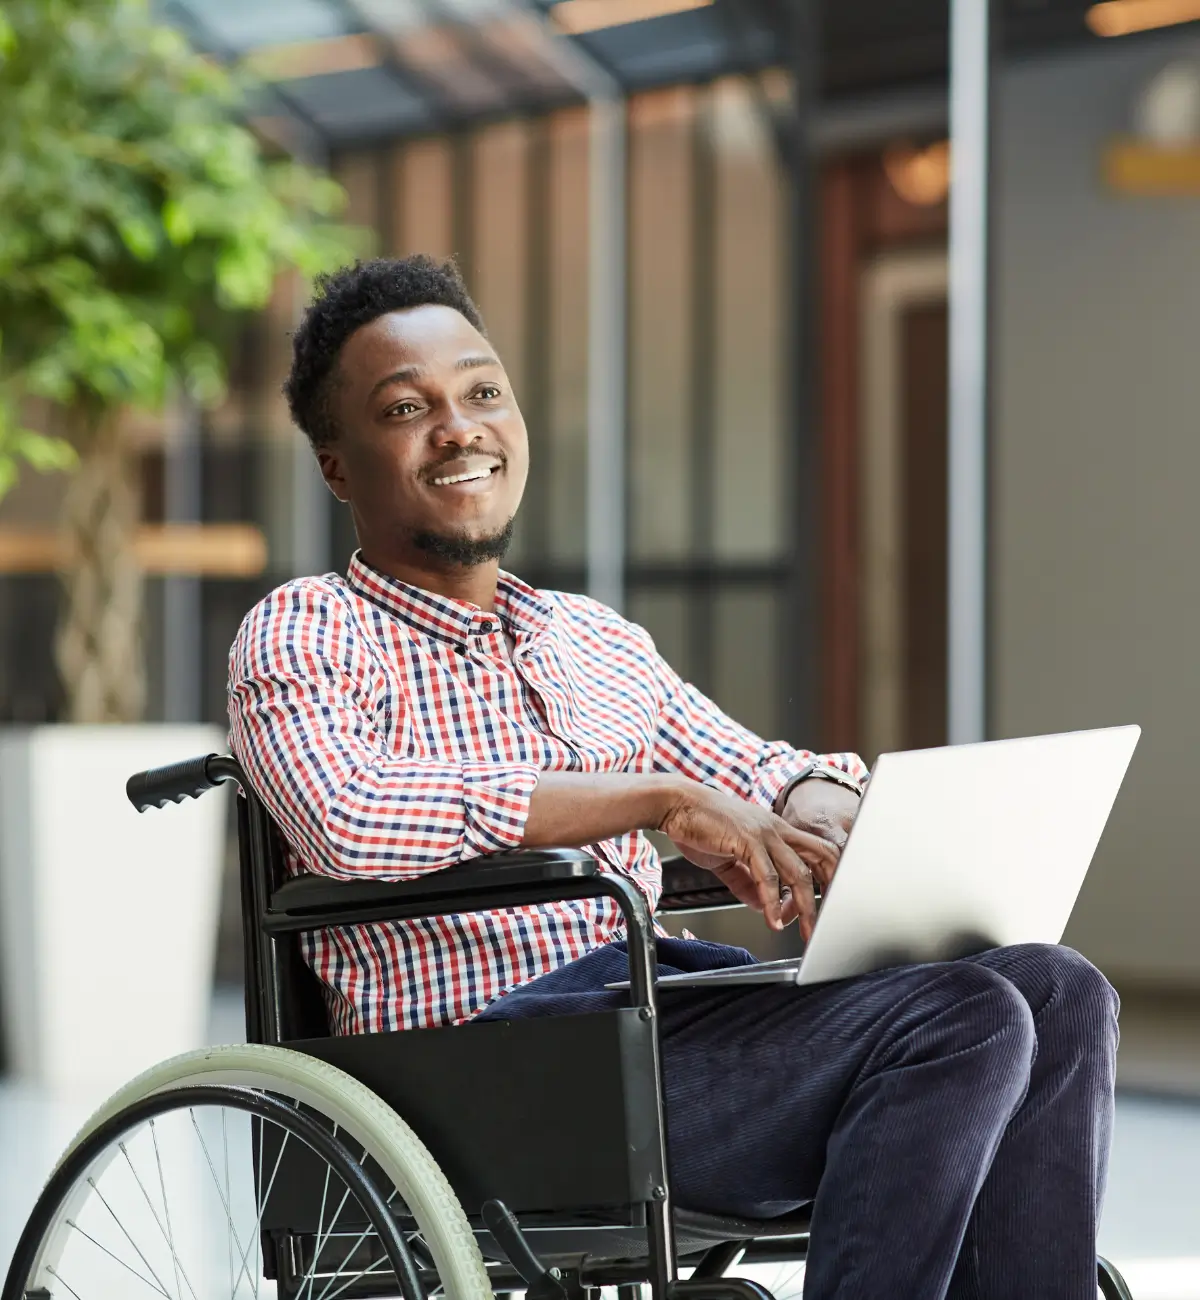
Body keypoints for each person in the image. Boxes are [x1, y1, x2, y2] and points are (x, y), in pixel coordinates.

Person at [228, 255, 1118, 1300]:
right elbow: (347, 820)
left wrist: (820, 806)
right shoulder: (304, 630)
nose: (459, 427)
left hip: (648, 1015)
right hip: (479, 1068)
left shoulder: (595, 638)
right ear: (339, 467)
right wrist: (652, 798)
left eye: (481, 393)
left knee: (1057, 989)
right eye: (407, 407)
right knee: (963, 1020)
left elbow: (751, 767)